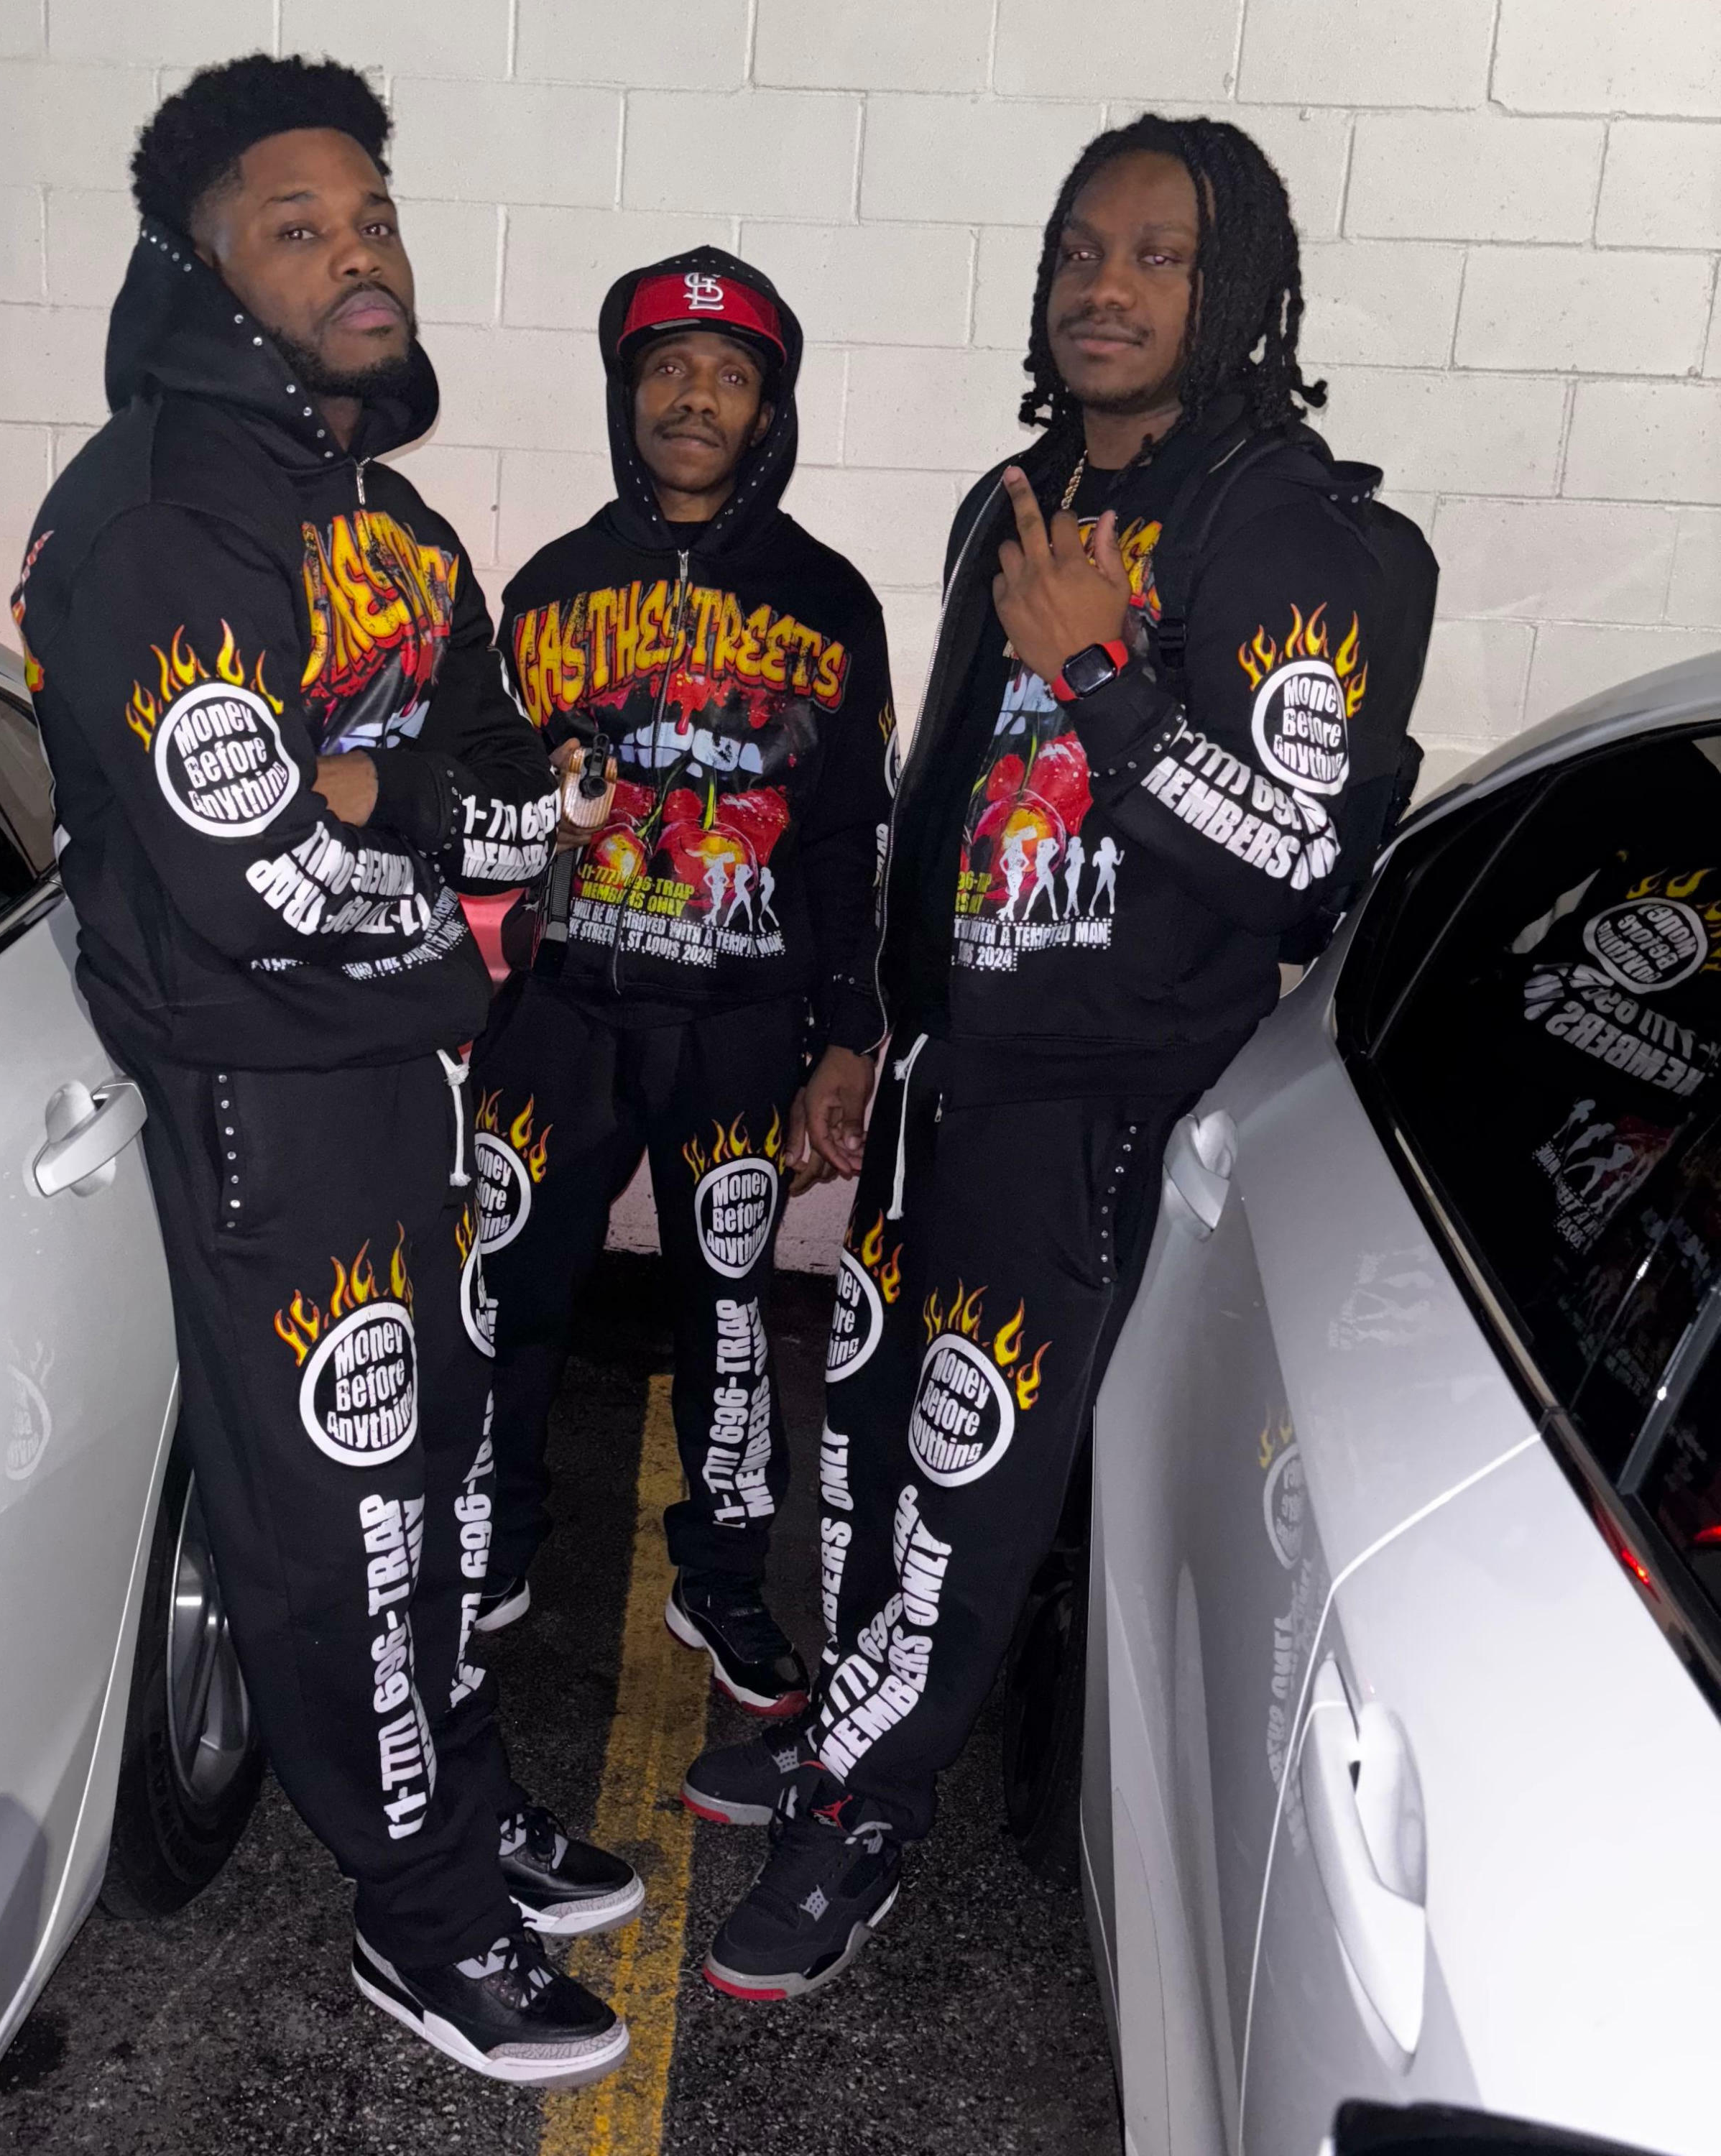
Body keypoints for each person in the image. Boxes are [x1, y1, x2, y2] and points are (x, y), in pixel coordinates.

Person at [683, 115, 1436, 1998]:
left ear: (1233, 291)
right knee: (868, 1442)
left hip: (1101, 1096)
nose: (1106, 287)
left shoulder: (1285, 528)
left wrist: (1107, 681)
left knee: (970, 1473)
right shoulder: (1010, 498)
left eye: (1157, 257)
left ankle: (871, 1811)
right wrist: (871, 1028)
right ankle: (851, 1717)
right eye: (1082, 252)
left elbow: (1306, 860)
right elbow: (945, 791)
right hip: (953, 1070)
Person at [12, 55, 639, 2086]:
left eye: (371, 217)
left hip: (404, 1074)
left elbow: (527, 788)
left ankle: (461, 1808)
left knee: (442, 1490)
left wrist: (407, 800)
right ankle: (417, 1916)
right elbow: (253, 875)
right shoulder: (155, 518)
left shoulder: (393, 524)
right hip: (265, 1103)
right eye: (298, 227)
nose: (359, 253)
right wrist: (433, 832)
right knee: (344, 1527)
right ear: (202, 271)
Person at [470, 250, 894, 1718]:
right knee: (509, 1288)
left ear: (768, 407)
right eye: (666, 369)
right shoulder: (547, 588)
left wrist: (849, 1033)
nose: (693, 397)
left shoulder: (829, 603)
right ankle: (493, 1539)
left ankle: (720, 1575)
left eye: (727, 375)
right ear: (625, 394)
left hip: (737, 1022)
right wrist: (485, 980)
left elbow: (850, 839)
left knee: (729, 1311)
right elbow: (497, 815)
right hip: (564, 1015)